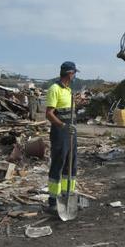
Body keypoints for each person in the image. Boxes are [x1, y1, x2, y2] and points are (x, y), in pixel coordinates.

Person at [44, 61, 79, 215]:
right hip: (60, 132)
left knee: (71, 163)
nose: (75, 76)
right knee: (58, 163)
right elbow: (49, 114)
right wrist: (63, 126)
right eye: (74, 73)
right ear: (70, 73)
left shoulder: (69, 90)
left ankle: (67, 194)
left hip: (71, 132)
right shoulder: (54, 89)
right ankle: (53, 200)